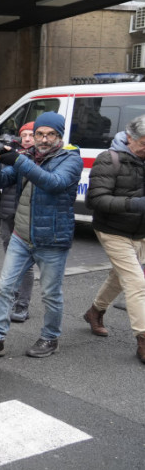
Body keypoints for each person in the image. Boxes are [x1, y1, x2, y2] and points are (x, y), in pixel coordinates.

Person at [0, 112, 83, 359]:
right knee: (4, 288)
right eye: (39, 134)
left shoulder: (71, 159)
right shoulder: (28, 156)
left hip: (52, 239)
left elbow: (53, 183)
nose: (43, 139)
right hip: (21, 236)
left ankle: (50, 338)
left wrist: (18, 160)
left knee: (51, 295)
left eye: (50, 134)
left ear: (59, 136)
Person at [82, 114, 145, 363]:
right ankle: (143, 339)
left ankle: (95, 311)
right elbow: (95, 200)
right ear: (130, 138)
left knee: (120, 276)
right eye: (144, 143)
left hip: (140, 230)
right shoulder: (109, 159)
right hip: (112, 230)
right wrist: (134, 204)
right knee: (136, 282)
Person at [0, 122, 37, 323]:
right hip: (8, 215)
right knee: (11, 262)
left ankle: (22, 304)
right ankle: (13, 297)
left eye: (31, 135)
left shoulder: (39, 159)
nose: (26, 139)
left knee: (25, 264)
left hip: (26, 219)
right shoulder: (11, 153)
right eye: (23, 135)